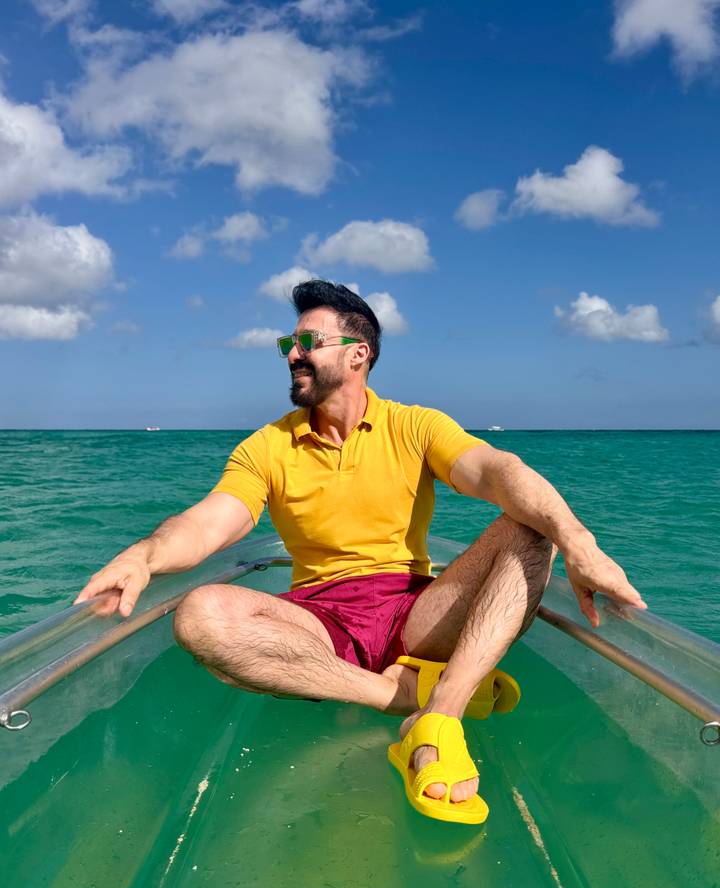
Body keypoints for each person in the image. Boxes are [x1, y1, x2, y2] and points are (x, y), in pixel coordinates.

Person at [74, 280, 646, 824]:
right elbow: (207, 524)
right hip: (318, 619)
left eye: (307, 343)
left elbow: (499, 473)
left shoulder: (414, 426)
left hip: (415, 612)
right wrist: (143, 556)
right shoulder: (267, 447)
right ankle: (410, 695)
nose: (292, 355)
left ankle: (439, 717)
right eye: (287, 344)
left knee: (530, 526)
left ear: (358, 355)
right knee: (201, 614)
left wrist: (580, 542)